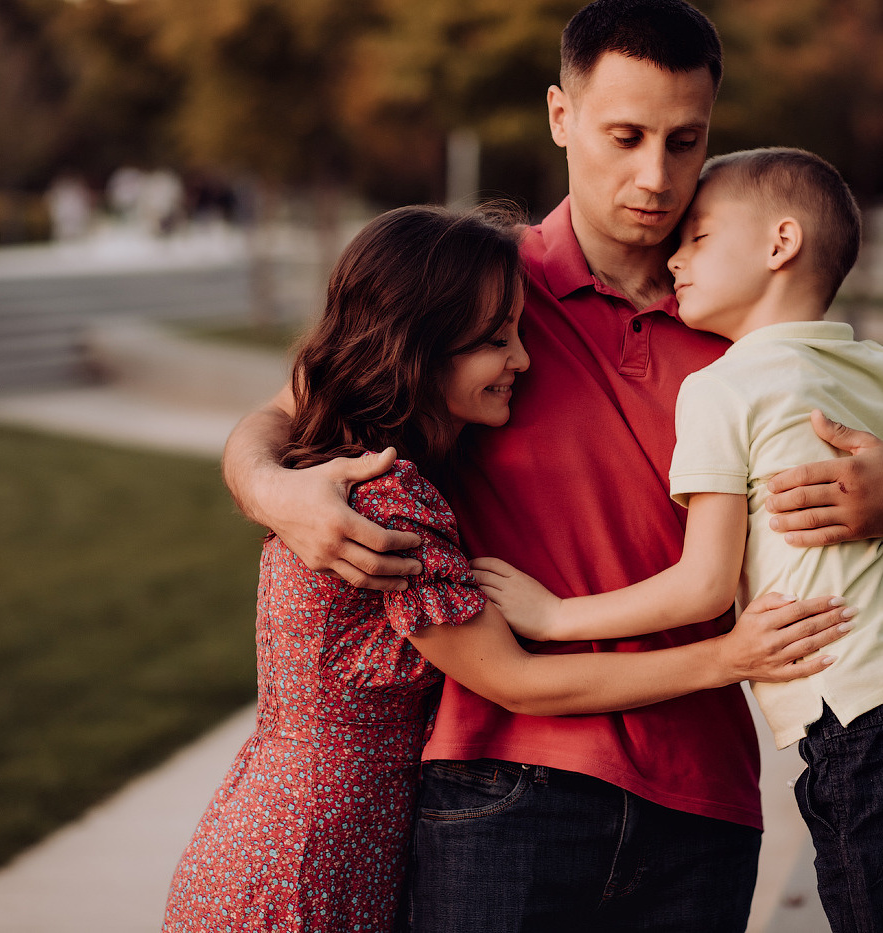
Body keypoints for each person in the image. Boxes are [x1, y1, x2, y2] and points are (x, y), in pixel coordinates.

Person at [220, 2, 883, 930]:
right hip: (502, 787)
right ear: (561, 116)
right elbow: (293, 408)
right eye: (626, 136)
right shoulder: (481, 285)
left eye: (685, 141)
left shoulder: (739, 309)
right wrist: (275, 489)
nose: (656, 177)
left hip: (705, 798)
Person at [162, 203, 845, 933]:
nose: (522, 358)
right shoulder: (386, 498)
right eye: (496, 341)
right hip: (311, 856)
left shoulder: (366, 469)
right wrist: (728, 657)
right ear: (419, 348)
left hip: (301, 827)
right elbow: (514, 678)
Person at [475, 147, 883, 932]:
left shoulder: (724, 385)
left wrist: (554, 615)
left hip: (853, 715)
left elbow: (703, 586)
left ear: (781, 243)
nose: (675, 257)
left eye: (698, 237)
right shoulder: (870, 366)